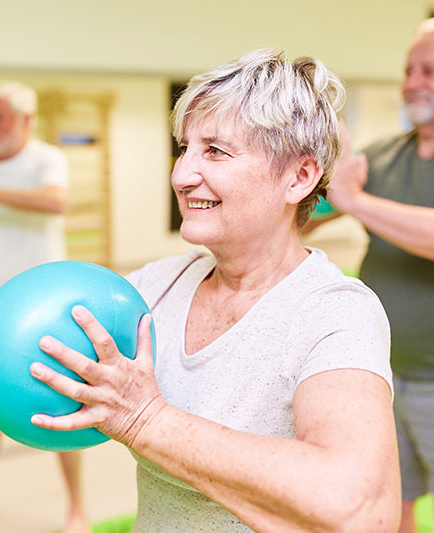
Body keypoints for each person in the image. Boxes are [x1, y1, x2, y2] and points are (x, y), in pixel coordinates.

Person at [28, 49, 401, 532]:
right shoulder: (157, 287)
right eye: (184, 148)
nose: (182, 176)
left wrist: (146, 420)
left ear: (299, 176)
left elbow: (361, 510)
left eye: (216, 151)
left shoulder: (334, 313)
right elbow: (48, 351)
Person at [304, 19, 434, 533]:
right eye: (407, 70)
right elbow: (312, 211)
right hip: (379, 373)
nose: (412, 82)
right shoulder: (382, 155)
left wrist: (357, 200)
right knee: (389, 504)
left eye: (429, 70)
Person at [0, 81, 90, 533]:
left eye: (0, 118)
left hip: (43, 312)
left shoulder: (47, 158)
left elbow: (56, 201)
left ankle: (76, 509)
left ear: (26, 120)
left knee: (64, 410)